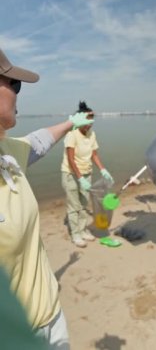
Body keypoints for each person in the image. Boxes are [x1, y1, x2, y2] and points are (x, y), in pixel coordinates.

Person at [0, 47, 94, 349]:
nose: (19, 92)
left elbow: (39, 141)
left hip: (51, 318)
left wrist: (71, 121)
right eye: (13, 84)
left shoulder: (9, 152)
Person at [61, 101, 114, 248]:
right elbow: (71, 159)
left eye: (92, 119)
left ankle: (83, 230)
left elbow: (94, 155)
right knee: (74, 206)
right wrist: (79, 177)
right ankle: (76, 234)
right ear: (81, 119)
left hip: (87, 173)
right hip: (70, 174)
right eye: (87, 119)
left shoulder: (92, 134)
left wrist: (103, 169)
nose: (90, 123)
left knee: (84, 204)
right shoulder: (72, 133)